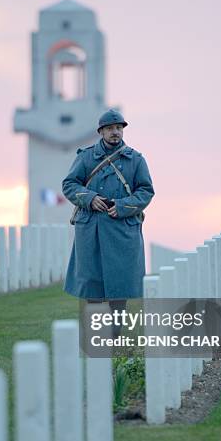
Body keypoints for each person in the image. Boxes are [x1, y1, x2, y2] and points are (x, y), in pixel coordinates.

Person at [62, 109, 155, 302]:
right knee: (92, 289)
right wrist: (89, 198)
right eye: (110, 128)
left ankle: (115, 333)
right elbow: (69, 184)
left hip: (122, 231)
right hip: (91, 231)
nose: (116, 132)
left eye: (119, 128)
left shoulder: (136, 160)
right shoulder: (86, 157)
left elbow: (146, 191)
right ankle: (96, 331)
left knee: (120, 290)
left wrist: (122, 206)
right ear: (101, 132)